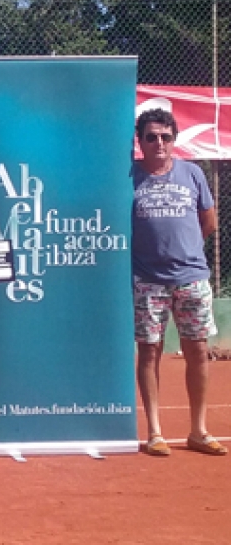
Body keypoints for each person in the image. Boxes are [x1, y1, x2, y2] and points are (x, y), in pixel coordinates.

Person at [132, 108, 227, 457]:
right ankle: (155, 432)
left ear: (174, 140)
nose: (159, 143)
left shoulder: (192, 173)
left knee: (198, 351)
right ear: (140, 141)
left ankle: (198, 431)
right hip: (147, 281)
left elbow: (209, 222)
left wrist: (184, 253)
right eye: (151, 137)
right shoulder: (130, 177)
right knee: (149, 351)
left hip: (192, 278)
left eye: (166, 137)